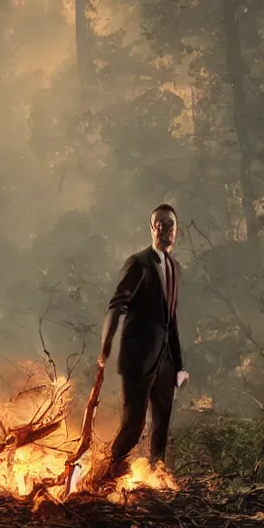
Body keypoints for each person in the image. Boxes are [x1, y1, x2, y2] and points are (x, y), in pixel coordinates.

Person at [95, 203, 188, 481]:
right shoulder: (138, 263)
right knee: (133, 427)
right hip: (137, 361)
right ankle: (103, 477)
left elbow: (171, 322)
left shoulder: (175, 269)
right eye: (159, 224)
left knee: (162, 426)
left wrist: (179, 365)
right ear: (151, 228)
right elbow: (116, 305)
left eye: (169, 224)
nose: (164, 229)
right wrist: (106, 346)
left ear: (176, 230)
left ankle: (155, 481)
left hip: (165, 364)